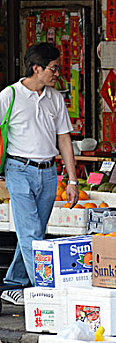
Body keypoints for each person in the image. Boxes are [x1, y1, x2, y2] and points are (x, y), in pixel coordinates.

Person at [0, 43, 79, 305]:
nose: (58, 73)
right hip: (18, 170)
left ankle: (13, 283)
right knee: (32, 233)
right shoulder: (9, 96)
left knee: (34, 233)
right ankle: (47, 294)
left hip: (48, 173)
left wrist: (72, 179)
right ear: (37, 68)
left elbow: (64, 139)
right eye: (54, 68)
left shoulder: (55, 98)